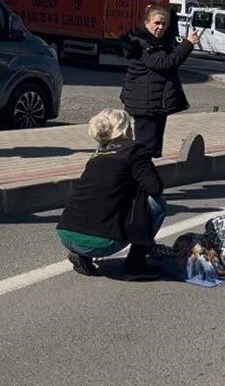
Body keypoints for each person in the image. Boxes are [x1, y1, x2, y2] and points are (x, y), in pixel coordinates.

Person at [57, 108, 166, 280]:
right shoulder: (134, 149)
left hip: (66, 234)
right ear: (125, 127)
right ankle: (136, 266)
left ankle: (81, 255)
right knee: (156, 203)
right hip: (100, 243)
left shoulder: (97, 154)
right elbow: (155, 188)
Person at [119, 5, 200, 158]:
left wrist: (173, 17)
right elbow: (164, 62)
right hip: (144, 105)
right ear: (146, 23)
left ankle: (144, 171)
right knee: (144, 150)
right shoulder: (142, 42)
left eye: (164, 24)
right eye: (157, 23)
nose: (161, 27)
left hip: (155, 104)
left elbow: (170, 41)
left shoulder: (157, 41)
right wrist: (188, 43)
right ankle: (139, 173)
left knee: (152, 150)